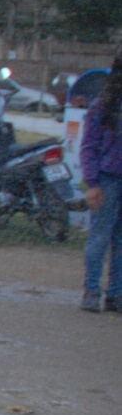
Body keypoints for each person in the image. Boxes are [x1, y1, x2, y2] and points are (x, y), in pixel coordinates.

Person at [80, 54, 122, 313]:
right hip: (107, 180)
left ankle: (116, 293)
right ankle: (92, 290)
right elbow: (88, 147)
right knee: (100, 237)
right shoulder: (102, 108)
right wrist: (92, 182)